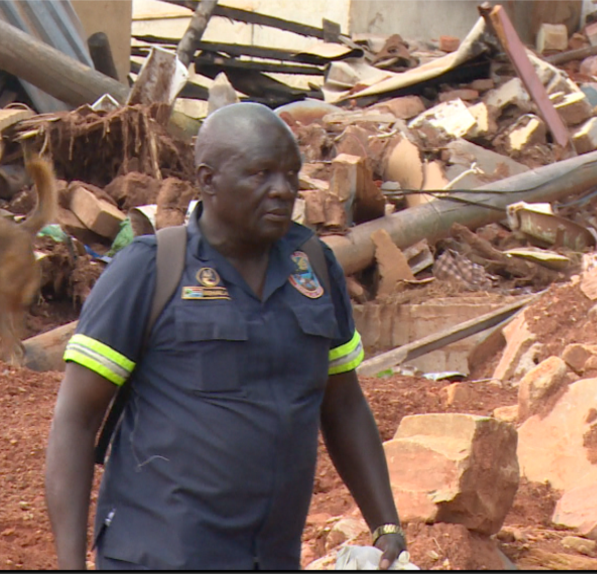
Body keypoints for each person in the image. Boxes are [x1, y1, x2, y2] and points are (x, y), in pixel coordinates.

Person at [45, 102, 406, 570]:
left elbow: (343, 404)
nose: (282, 190)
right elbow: (75, 419)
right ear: (208, 180)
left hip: (269, 557)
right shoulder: (150, 270)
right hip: (160, 555)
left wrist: (387, 526)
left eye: (290, 174)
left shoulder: (313, 267)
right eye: (261, 174)